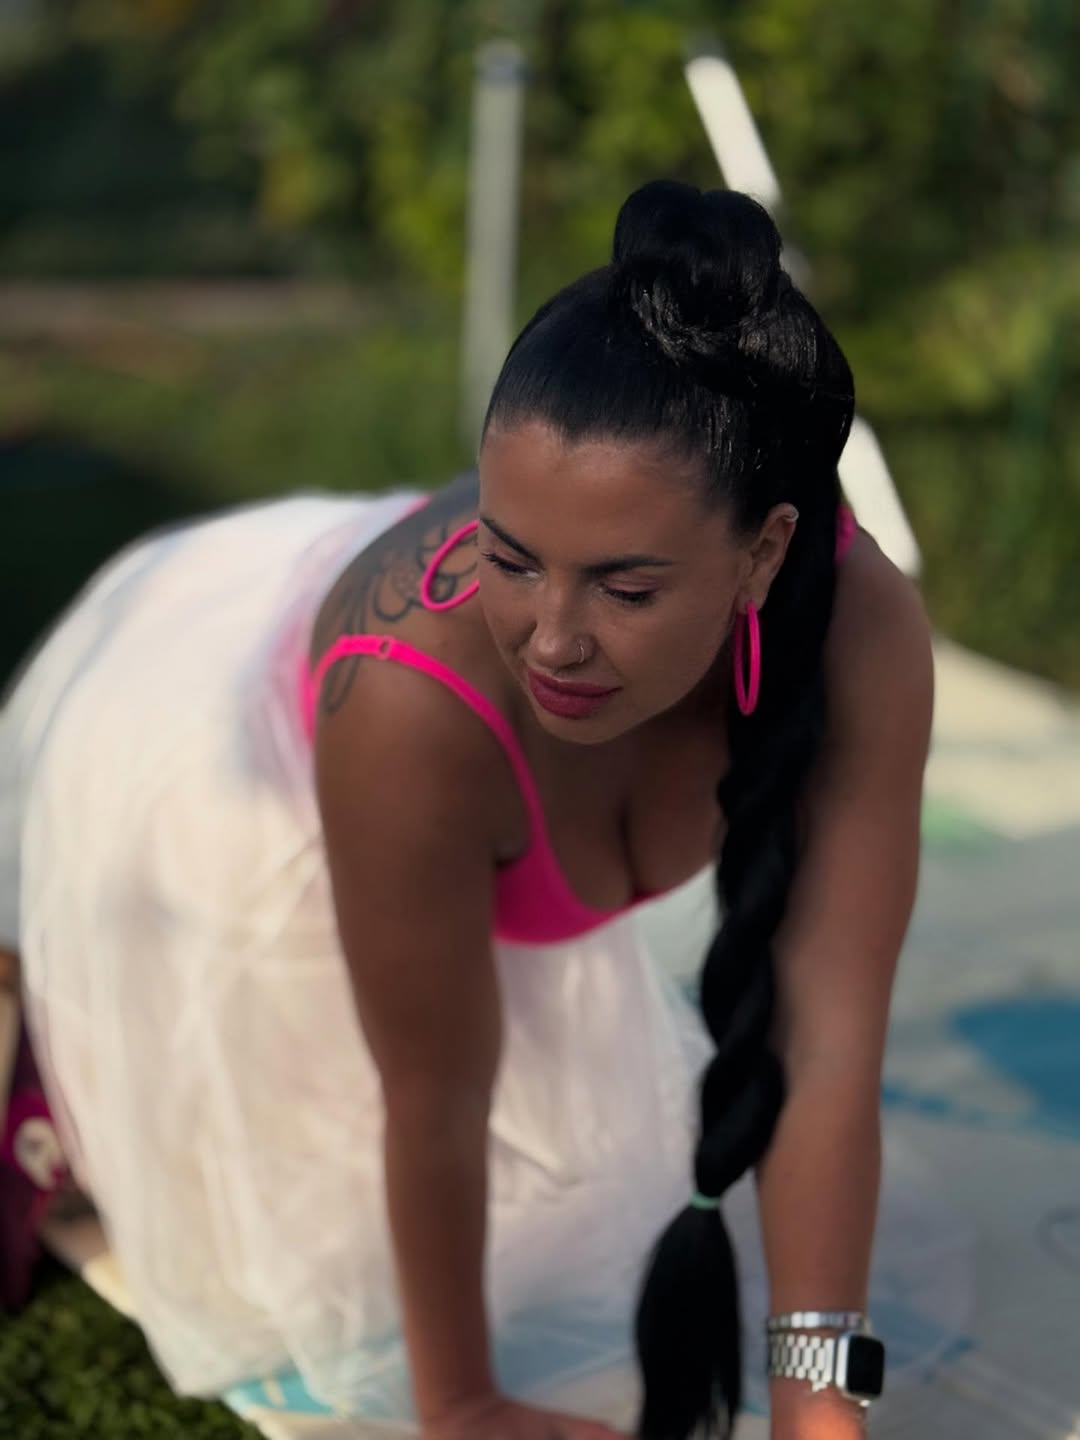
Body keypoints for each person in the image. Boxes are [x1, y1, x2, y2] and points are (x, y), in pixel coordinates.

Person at [0, 182, 937, 1440]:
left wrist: (820, 1411)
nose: (552, 640)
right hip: (216, 759)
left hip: (441, 739)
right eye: (512, 556)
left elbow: (825, 1051)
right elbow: (434, 1090)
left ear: (764, 554)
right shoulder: (410, 709)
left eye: (625, 588)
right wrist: (464, 1402)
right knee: (225, 1164)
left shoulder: (862, 632)